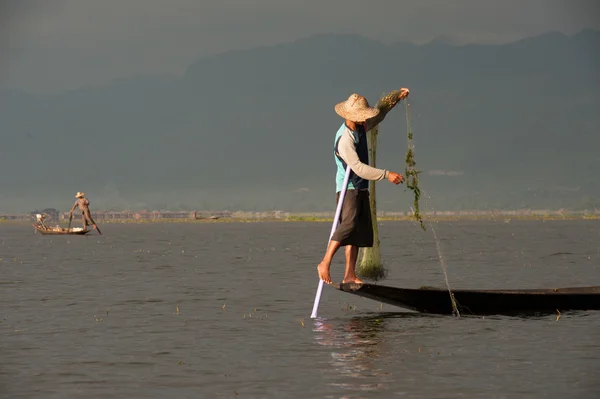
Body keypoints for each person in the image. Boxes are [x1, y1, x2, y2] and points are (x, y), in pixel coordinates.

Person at [317, 89, 410, 285]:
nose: (364, 119)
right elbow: (358, 168)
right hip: (348, 188)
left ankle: (349, 274)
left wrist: (395, 98)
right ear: (351, 116)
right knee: (349, 226)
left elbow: (379, 114)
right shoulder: (345, 140)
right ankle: (324, 262)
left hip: (360, 188)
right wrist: (386, 174)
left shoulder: (359, 127)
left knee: (358, 233)